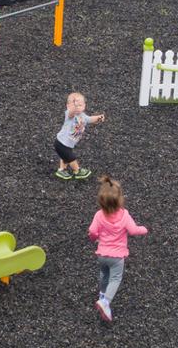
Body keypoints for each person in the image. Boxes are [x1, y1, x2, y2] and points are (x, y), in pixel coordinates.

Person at [86, 174, 148, 324]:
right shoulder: (124, 215)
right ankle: (105, 302)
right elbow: (133, 230)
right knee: (115, 278)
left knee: (104, 274)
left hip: (102, 253)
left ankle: (102, 294)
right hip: (117, 256)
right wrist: (143, 229)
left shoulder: (99, 215)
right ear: (120, 199)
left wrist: (94, 239)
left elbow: (92, 231)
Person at [54, 92, 104, 180]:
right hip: (61, 143)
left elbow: (90, 119)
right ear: (68, 106)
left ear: (84, 106)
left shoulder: (83, 116)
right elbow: (71, 113)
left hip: (69, 143)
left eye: (80, 105)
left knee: (65, 157)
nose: (77, 107)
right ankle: (77, 171)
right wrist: (74, 108)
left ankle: (62, 170)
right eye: (74, 105)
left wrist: (98, 118)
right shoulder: (69, 115)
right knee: (71, 158)